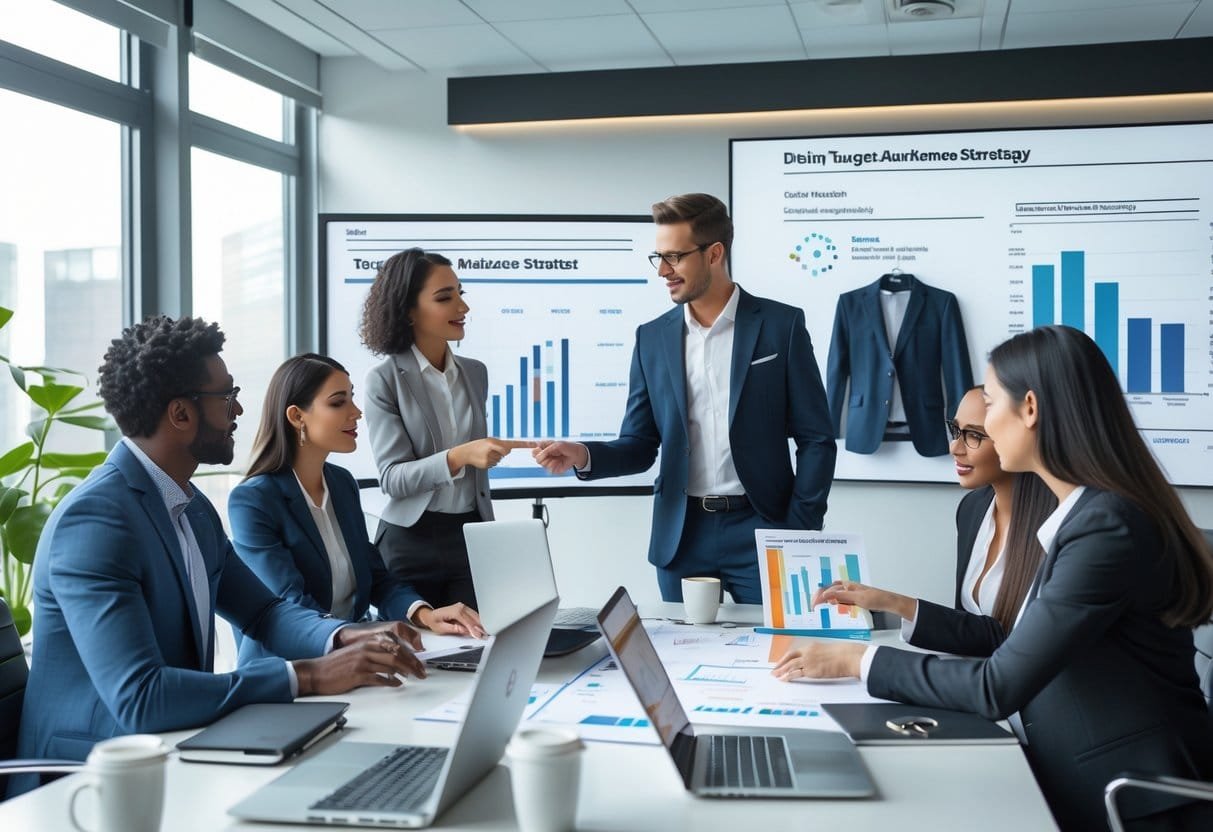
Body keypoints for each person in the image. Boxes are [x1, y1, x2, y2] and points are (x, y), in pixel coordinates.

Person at [774, 325, 1213, 831]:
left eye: (991, 403)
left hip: (1129, 799)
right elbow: (1012, 642)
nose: (980, 426)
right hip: (1073, 766)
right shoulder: (1088, 515)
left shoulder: (1105, 528)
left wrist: (856, 660)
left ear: (1030, 409)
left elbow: (997, 686)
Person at [13, 317, 428, 796]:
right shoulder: (96, 521)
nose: (239, 409)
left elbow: (264, 612)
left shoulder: (191, 506)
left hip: (174, 749)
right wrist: (310, 675)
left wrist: (344, 636)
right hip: (83, 779)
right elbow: (139, 696)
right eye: (227, 396)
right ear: (180, 414)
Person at [533, 193, 836, 604]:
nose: (663, 270)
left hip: (765, 527)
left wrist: (799, 527)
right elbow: (640, 445)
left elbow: (816, 438)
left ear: (714, 253)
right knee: (680, 645)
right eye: (658, 257)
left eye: (674, 257)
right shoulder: (651, 338)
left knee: (776, 644)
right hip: (682, 537)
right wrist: (583, 455)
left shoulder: (782, 326)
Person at [229, 353, 487, 665]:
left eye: (352, 398)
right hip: (290, 668)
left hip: (354, 657)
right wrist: (364, 638)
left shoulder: (341, 484)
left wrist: (425, 614)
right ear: (297, 416)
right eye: (338, 402)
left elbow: (376, 577)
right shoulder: (254, 500)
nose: (356, 412)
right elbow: (290, 606)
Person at [361, 248, 531, 609]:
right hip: (410, 541)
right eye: (444, 298)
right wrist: (460, 456)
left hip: (471, 535)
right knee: (415, 644)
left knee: (478, 639)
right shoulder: (384, 380)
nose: (462, 307)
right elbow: (393, 478)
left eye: (460, 293)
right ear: (408, 310)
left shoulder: (475, 372)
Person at [824, 386, 1055, 641]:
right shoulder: (972, 509)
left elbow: (1018, 640)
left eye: (974, 435)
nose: (955, 447)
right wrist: (885, 601)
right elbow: (971, 633)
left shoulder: (1059, 525)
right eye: (955, 430)